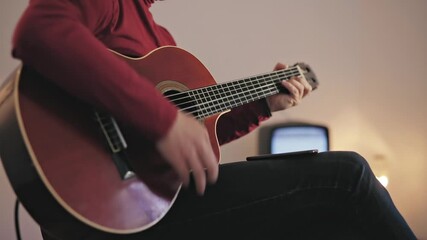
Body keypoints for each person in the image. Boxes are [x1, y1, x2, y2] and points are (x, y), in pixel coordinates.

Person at [11, 0, 417, 239]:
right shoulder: (110, 4)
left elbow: (198, 137)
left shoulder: (161, 40)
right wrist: (163, 122)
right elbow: (39, 31)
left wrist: (263, 105)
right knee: (347, 176)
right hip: (112, 203)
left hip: (157, 200)